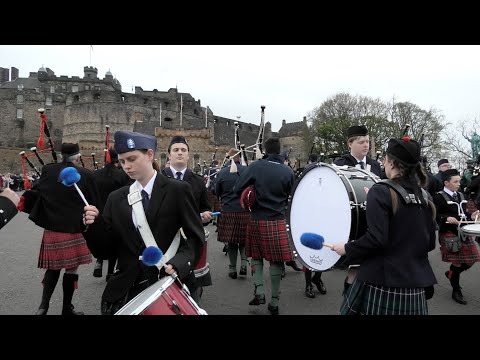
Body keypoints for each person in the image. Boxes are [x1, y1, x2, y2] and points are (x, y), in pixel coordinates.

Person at [83, 131, 205, 315]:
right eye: (122, 161)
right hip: (127, 289)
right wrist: (93, 225)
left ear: (150, 155)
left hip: (169, 281)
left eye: (132, 159)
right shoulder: (116, 198)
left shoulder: (178, 190)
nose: (126, 166)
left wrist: (179, 263)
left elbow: (195, 238)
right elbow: (105, 251)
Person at [331, 136, 438, 315]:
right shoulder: (425, 196)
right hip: (415, 284)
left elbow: (376, 239)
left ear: (391, 163)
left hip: (382, 282)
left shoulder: (381, 191)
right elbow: (430, 244)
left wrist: (347, 249)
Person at [21, 143, 101, 315]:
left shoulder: (48, 171)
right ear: (78, 156)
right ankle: (67, 308)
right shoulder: (86, 174)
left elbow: (39, 193)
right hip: (74, 228)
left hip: (52, 229)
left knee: (53, 268)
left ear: (61, 154)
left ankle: (43, 307)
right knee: (71, 269)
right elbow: (93, 203)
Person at [234, 137, 295, 315]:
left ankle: (259, 291)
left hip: (257, 218)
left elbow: (238, 188)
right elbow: (292, 195)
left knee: (256, 257)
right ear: (279, 150)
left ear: (265, 150)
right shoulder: (287, 171)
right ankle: (274, 302)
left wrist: (253, 190)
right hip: (277, 220)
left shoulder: (256, 166)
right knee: (276, 261)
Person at [161, 135, 213, 304]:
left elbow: (205, 207)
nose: (180, 153)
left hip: (190, 239)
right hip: (165, 239)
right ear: (169, 155)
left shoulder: (198, 181)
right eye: (176, 150)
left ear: (189, 155)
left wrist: (206, 216)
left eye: (183, 150)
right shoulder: (159, 178)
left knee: (192, 287)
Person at [433, 168, 480, 305]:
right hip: (449, 232)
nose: (459, 184)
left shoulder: (461, 195)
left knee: (472, 258)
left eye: (459, 181)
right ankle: (456, 290)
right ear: (446, 183)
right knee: (457, 262)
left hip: (463, 232)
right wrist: (446, 218)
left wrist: (473, 215)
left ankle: (451, 274)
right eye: (456, 181)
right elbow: (436, 215)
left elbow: (466, 212)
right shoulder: (438, 197)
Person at [92, 148, 133, 280]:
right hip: (116, 213)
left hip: (99, 212)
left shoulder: (96, 174)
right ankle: (110, 272)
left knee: (101, 239)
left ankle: (99, 262)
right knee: (115, 243)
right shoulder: (122, 175)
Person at [214, 148, 250, 279]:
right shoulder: (247, 171)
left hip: (228, 211)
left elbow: (216, 191)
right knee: (244, 241)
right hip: (244, 210)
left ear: (229, 158)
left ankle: (232, 268)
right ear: (239, 157)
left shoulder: (222, 173)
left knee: (232, 242)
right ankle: (244, 265)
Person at [303, 153, 327, 298]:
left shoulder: (326, 179)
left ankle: (317, 278)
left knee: (323, 249)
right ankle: (308, 284)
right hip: (306, 218)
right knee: (307, 253)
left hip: (323, 218)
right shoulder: (303, 179)